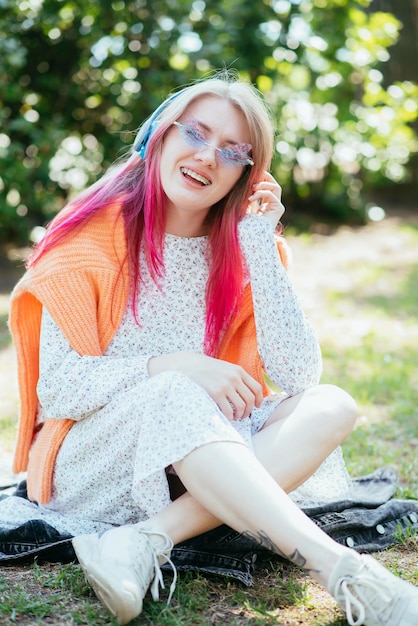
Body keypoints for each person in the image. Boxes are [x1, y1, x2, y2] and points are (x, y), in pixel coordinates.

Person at [6, 71, 418, 626]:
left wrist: (260, 245)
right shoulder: (90, 240)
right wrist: (172, 366)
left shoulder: (241, 248)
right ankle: (344, 572)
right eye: (195, 134)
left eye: (232, 150)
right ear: (160, 135)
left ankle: (147, 538)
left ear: (249, 172)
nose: (208, 157)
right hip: (96, 460)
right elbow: (58, 389)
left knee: (333, 405)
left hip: (199, 450)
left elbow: (298, 374)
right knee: (176, 388)